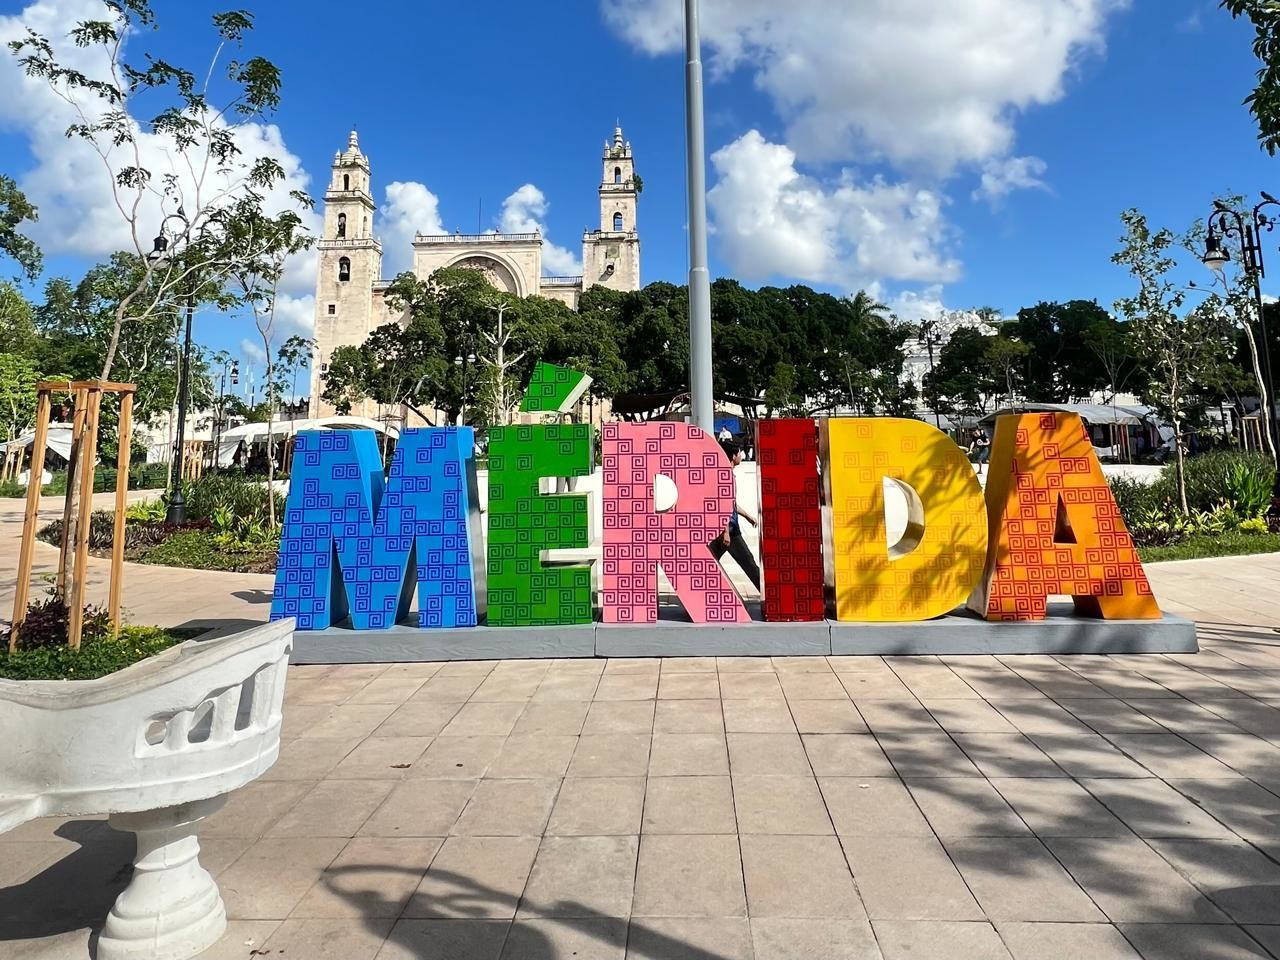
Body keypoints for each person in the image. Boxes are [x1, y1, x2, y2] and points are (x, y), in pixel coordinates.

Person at [710, 439, 761, 591]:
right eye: (739, 453)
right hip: (729, 530)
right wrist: (725, 531)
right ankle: (770, 597)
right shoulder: (726, 476)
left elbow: (730, 503)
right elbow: (723, 504)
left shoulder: (725, 474)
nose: (741, 456)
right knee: (748, 562)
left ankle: (696, 596)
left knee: (710, 562)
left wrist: (747, 516)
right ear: (733, 456)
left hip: (728, 528)